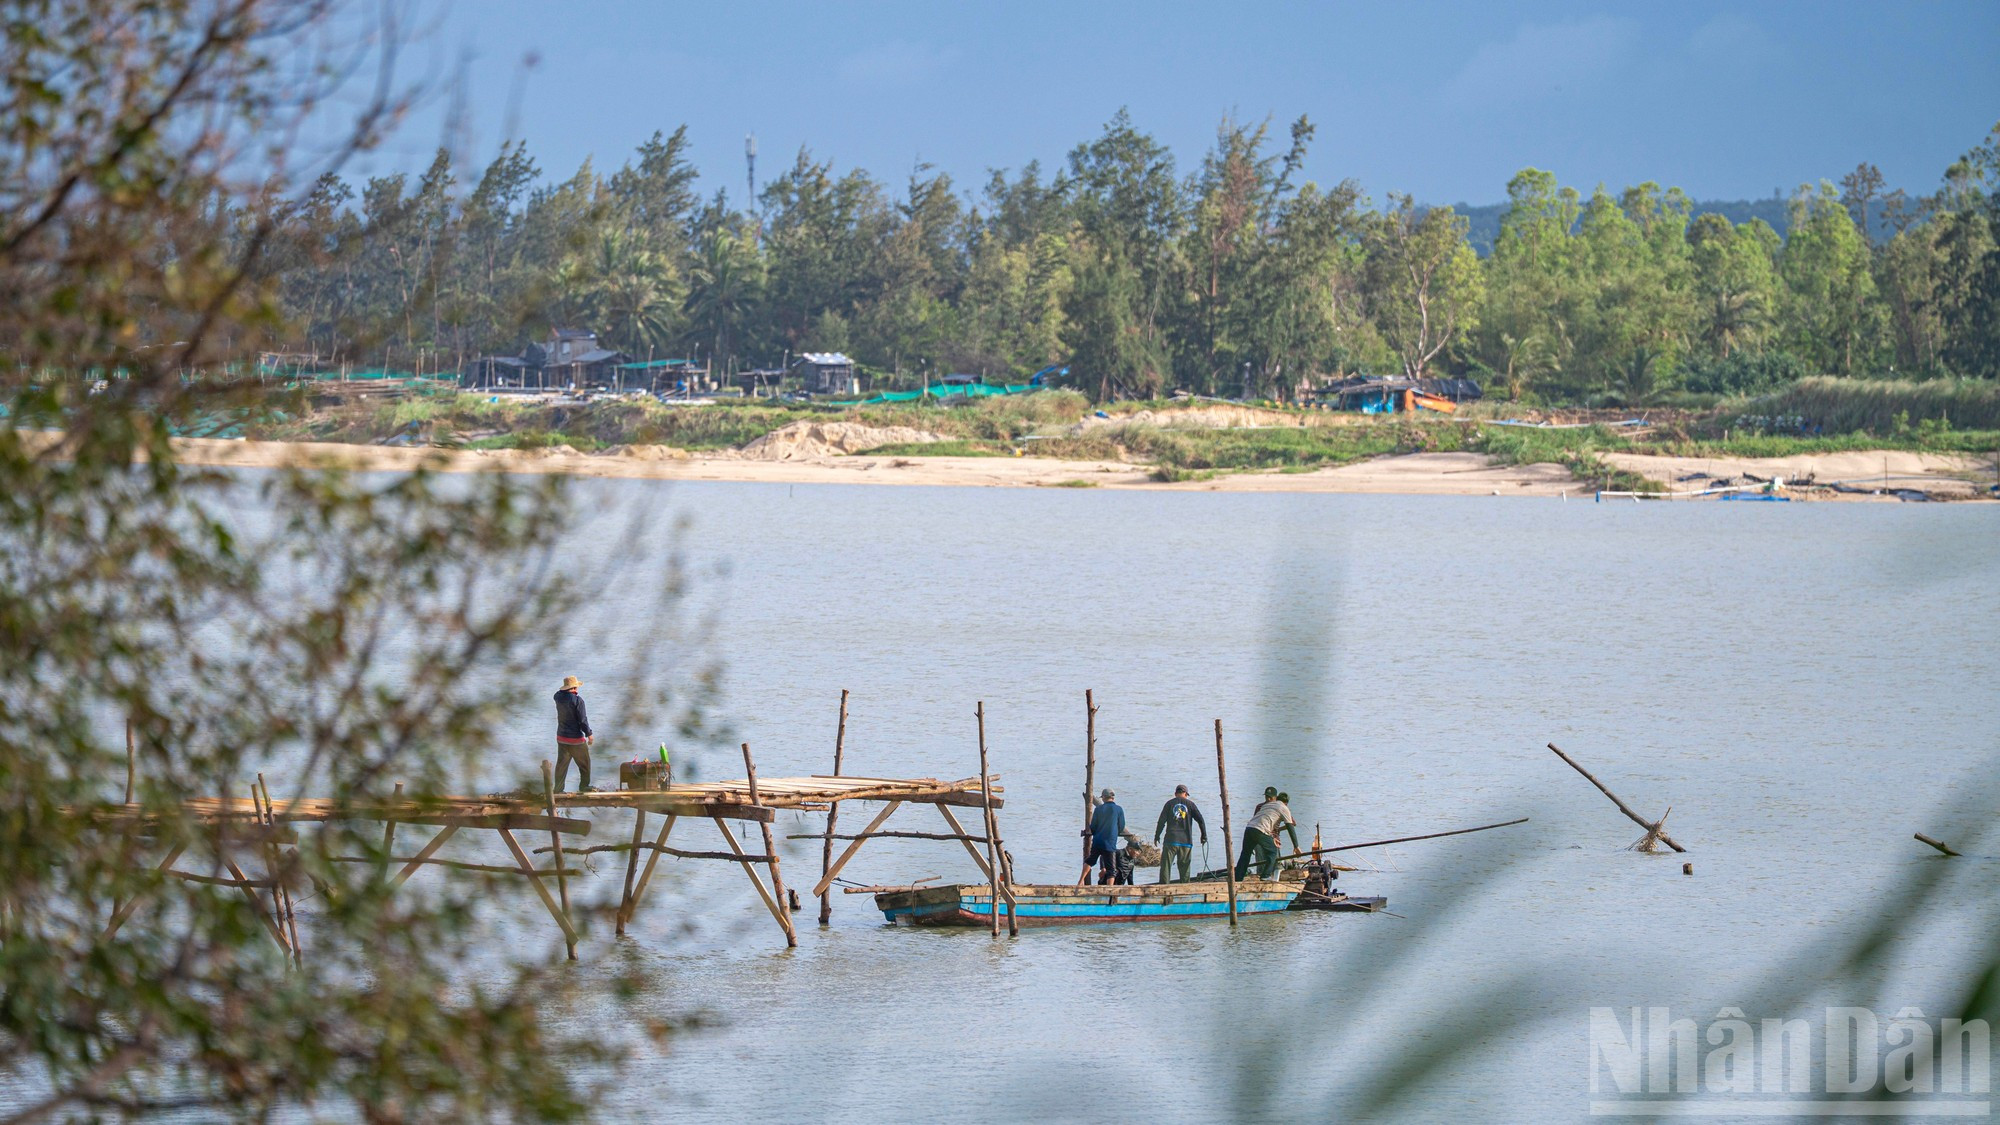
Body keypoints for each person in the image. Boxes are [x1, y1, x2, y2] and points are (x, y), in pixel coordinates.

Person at [1234, 786, 1296, 881]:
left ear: (1275, 798)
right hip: (1261, 832)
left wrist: (1276, 832)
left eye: (1270, 797)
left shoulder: (1274, 806)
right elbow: (1261, 823)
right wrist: (1296, 846)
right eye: (1266, 797)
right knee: (1272, 853)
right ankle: (1265, 876)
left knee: (1246, 854)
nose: (1268, 799)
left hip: (1252, 830)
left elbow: (1291, 823)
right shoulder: (1263, 806)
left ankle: (1238, 878)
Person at [1152, 784, 1208, 883]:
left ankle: (1163, 890)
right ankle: (1184, 890)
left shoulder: (1169, 804)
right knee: (1185, 868)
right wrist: (1203, 836)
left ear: (1175, 794)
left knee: (1166, 866)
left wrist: (1157, 836)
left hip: (1170, 840)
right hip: (1186, 841)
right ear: (1186, 794)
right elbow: (1201, 820)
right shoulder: (1191, 804)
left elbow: (1161, 821)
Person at [553, 675, 594, 793]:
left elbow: (558, 693)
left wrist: (566, 690)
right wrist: (589, 734)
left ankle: (558, 790)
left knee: (561, 765)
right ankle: (584, 786)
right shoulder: (578, 701)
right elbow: (582, 720)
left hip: (561, 737)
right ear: (575, 687)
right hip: (575, 739)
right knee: (585, 764)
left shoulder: (557, 697)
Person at [1078, 788, 1125, 886]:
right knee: (1111, 869)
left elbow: (1093, 826)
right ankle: (1109, 889)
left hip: (1098, 841)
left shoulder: (1098, 809)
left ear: (1103, 798)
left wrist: (1096, 833)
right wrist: (1115, 833)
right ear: (1112, 798)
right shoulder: (1119, 809)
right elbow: (1121, 826)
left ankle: (1080, 881)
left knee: (1090, 861)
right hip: (1110, 842)